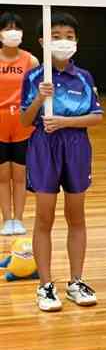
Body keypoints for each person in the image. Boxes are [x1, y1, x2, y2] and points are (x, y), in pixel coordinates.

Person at [20, 13, 103, 312]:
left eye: (69, 35)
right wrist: (40, 99)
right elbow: (24, 120)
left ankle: (76, 282)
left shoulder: (84, 77)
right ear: (43, 41)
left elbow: (97, 116)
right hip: (44, 146)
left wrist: (66, 121)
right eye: (57, 35)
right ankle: (45, 286)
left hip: (76, 146)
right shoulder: (33, 78)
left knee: (76, 215)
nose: (64, 41)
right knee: (44, 217)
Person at [0, 12, 37, 236]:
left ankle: (19, 219)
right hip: (0, 123)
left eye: (16, 27)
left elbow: (35, 94)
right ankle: (6, 220)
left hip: (23, 123)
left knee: (20, 176)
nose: (12, 32)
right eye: (7, 27)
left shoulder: (30, 60)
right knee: (3, 176)